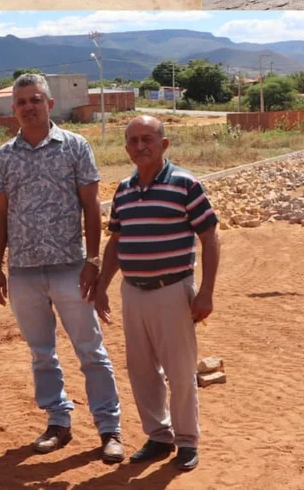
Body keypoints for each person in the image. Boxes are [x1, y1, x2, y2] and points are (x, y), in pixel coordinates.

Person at [0, 73, 124, 463]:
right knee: (41, 353)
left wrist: (93, 260)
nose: (28, 106)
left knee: (91, 351)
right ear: (14, 109)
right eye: (21, 102)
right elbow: (1, 213)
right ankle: (58, 420)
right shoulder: (5, 155)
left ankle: (109, 428)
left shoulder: (75, 146)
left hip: (70, 267)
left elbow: (91, 207)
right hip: (25, 272)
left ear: (49, 103)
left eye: (35, 99)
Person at [95, 115, 221, 473]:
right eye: (133, 141)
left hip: (172, 291)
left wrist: (207, 292)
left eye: (147, 139)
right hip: (133, 292)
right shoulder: (123, 189)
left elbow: (210, 237)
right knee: (141, 370)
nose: (139, 147)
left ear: (164, 144)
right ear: (126, 148)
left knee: (179, 371)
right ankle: (159, 435)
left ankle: (186, 441)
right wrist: (103, 286)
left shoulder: (185, 184)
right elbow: (116, 241)